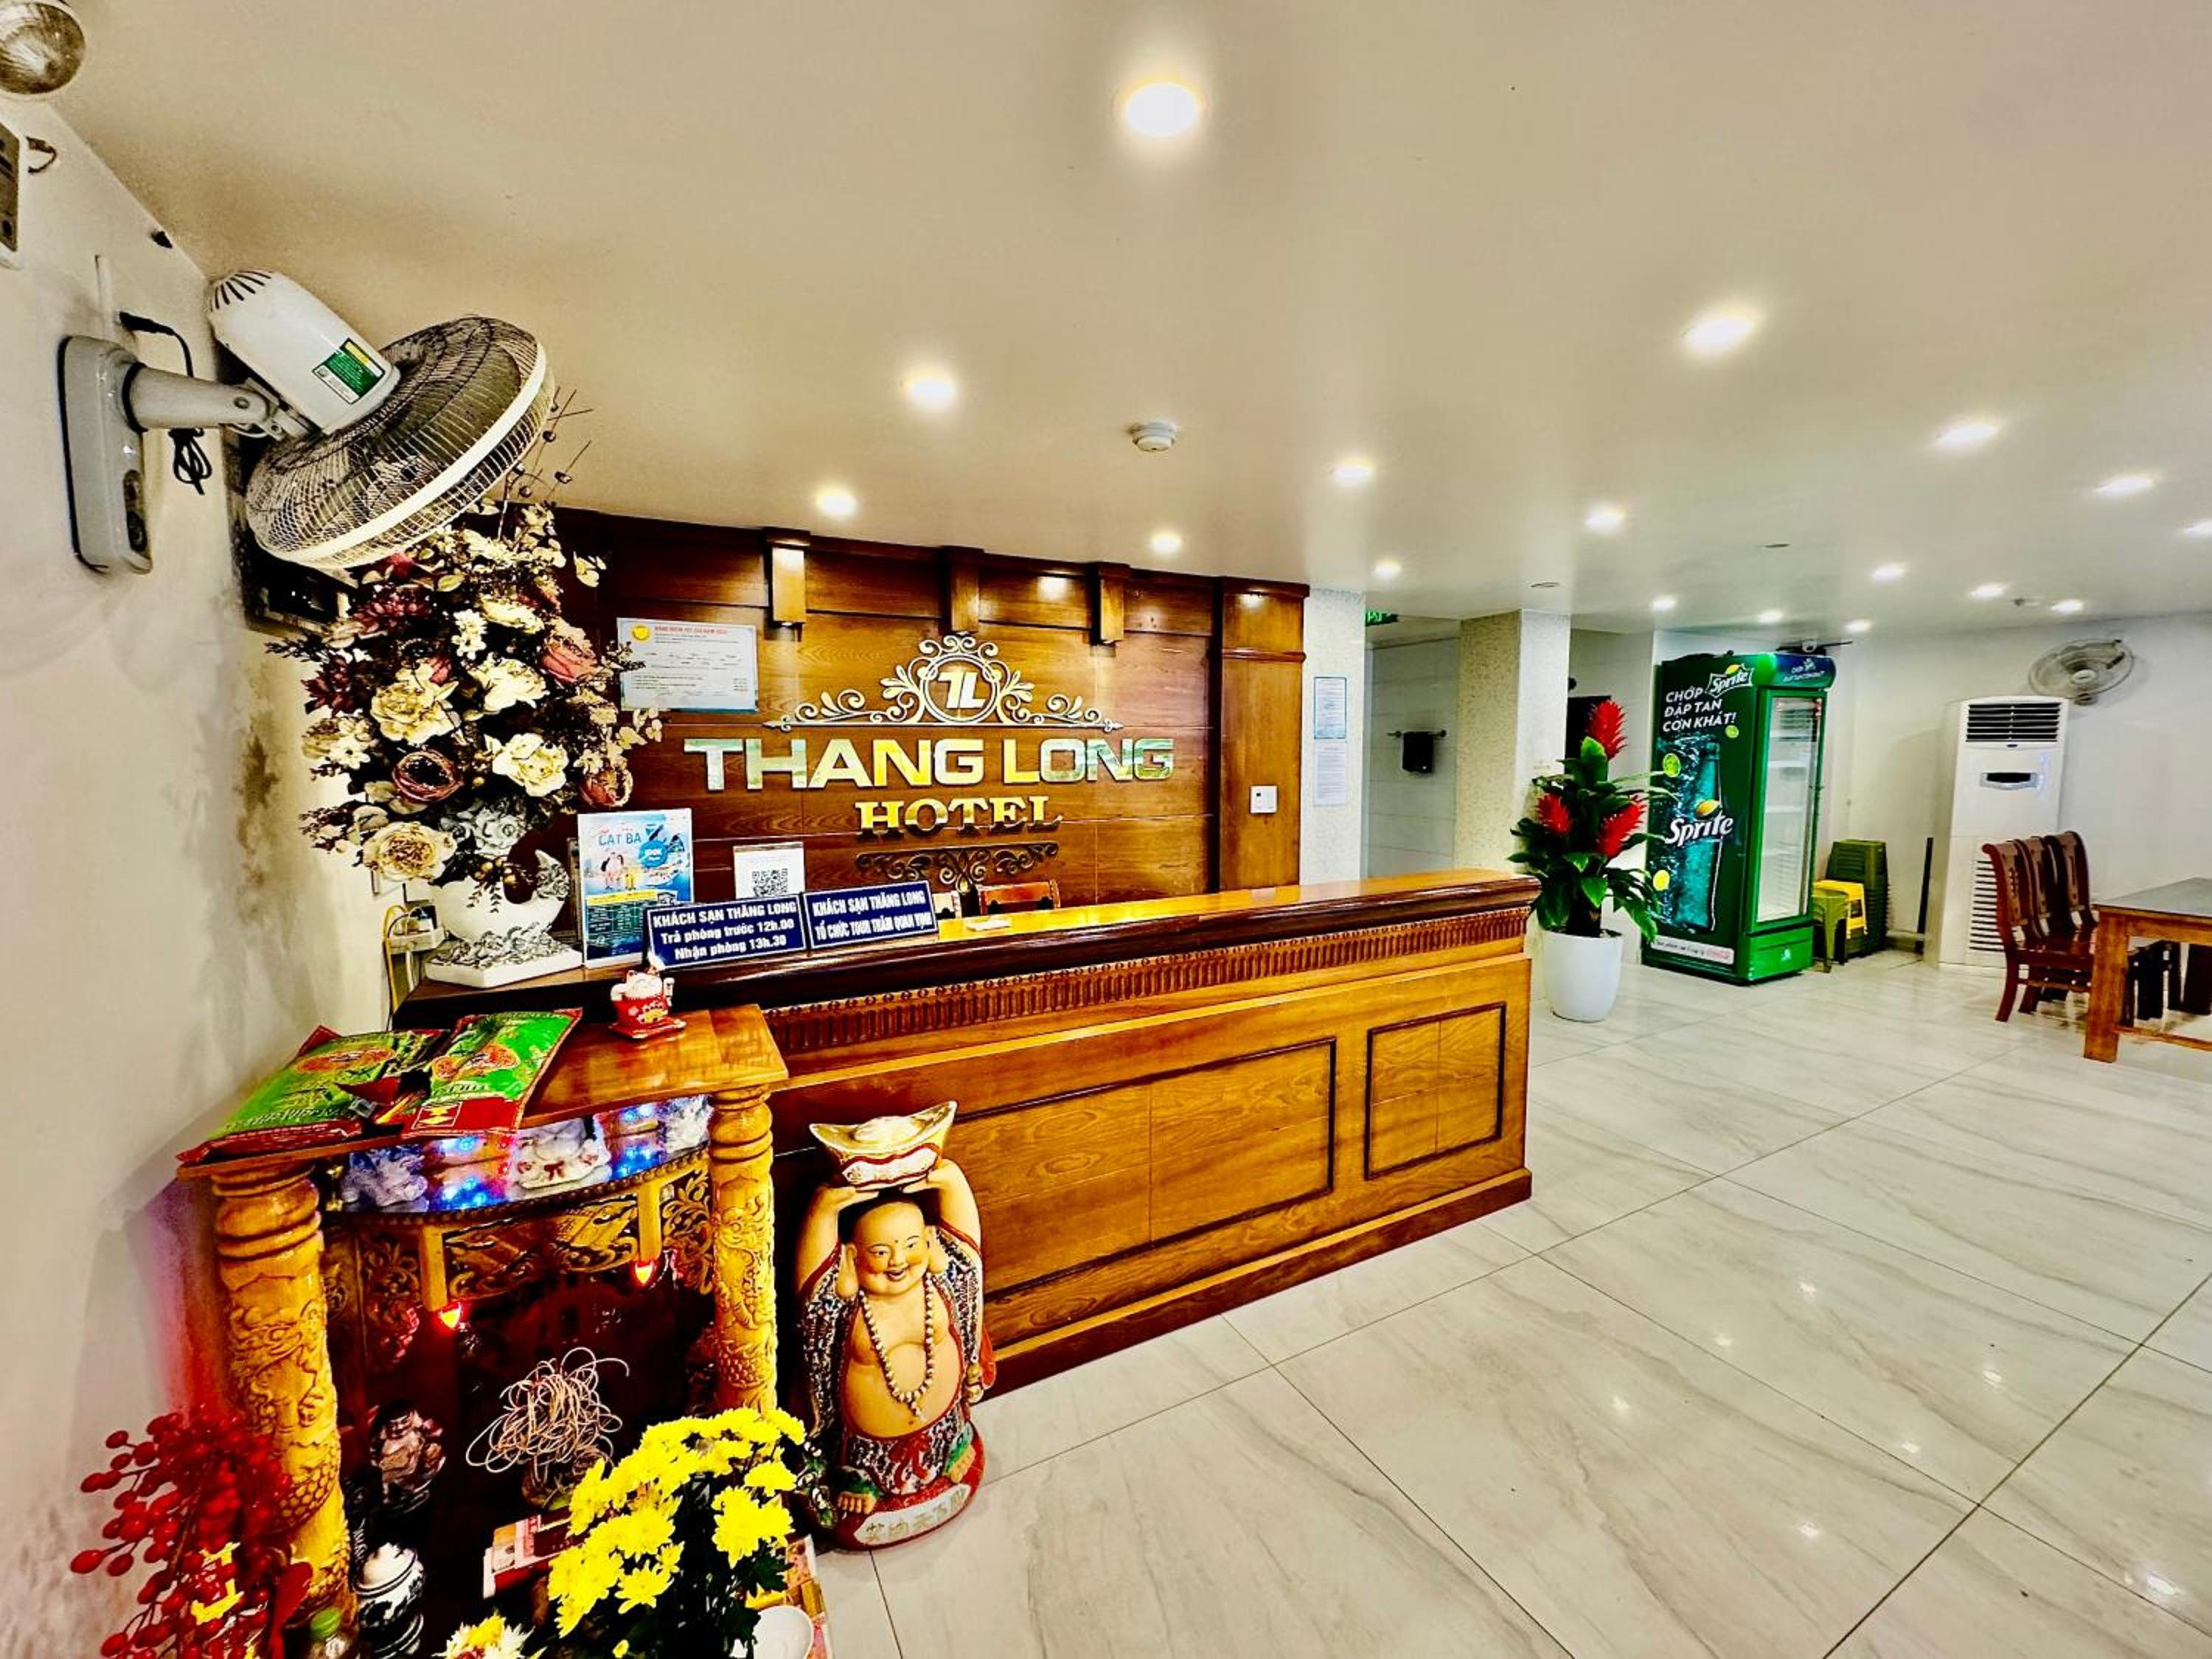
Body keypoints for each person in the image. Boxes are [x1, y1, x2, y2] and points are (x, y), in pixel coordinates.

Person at [793, 1158, 992, 1548]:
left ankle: (950, 1452)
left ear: (930, 1242)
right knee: (854, 1468)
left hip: (944, 1424)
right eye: (881, 1252)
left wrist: (950, 1181)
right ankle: (860, 1481)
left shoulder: (941, 1285)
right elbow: (812, 1297)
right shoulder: (847, 1306)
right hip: (866, 1446)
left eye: (911, 1245)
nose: (899, 1261)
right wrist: (824, 1209)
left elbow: (969, 1256)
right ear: (852, 1256)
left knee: (949, 1439)